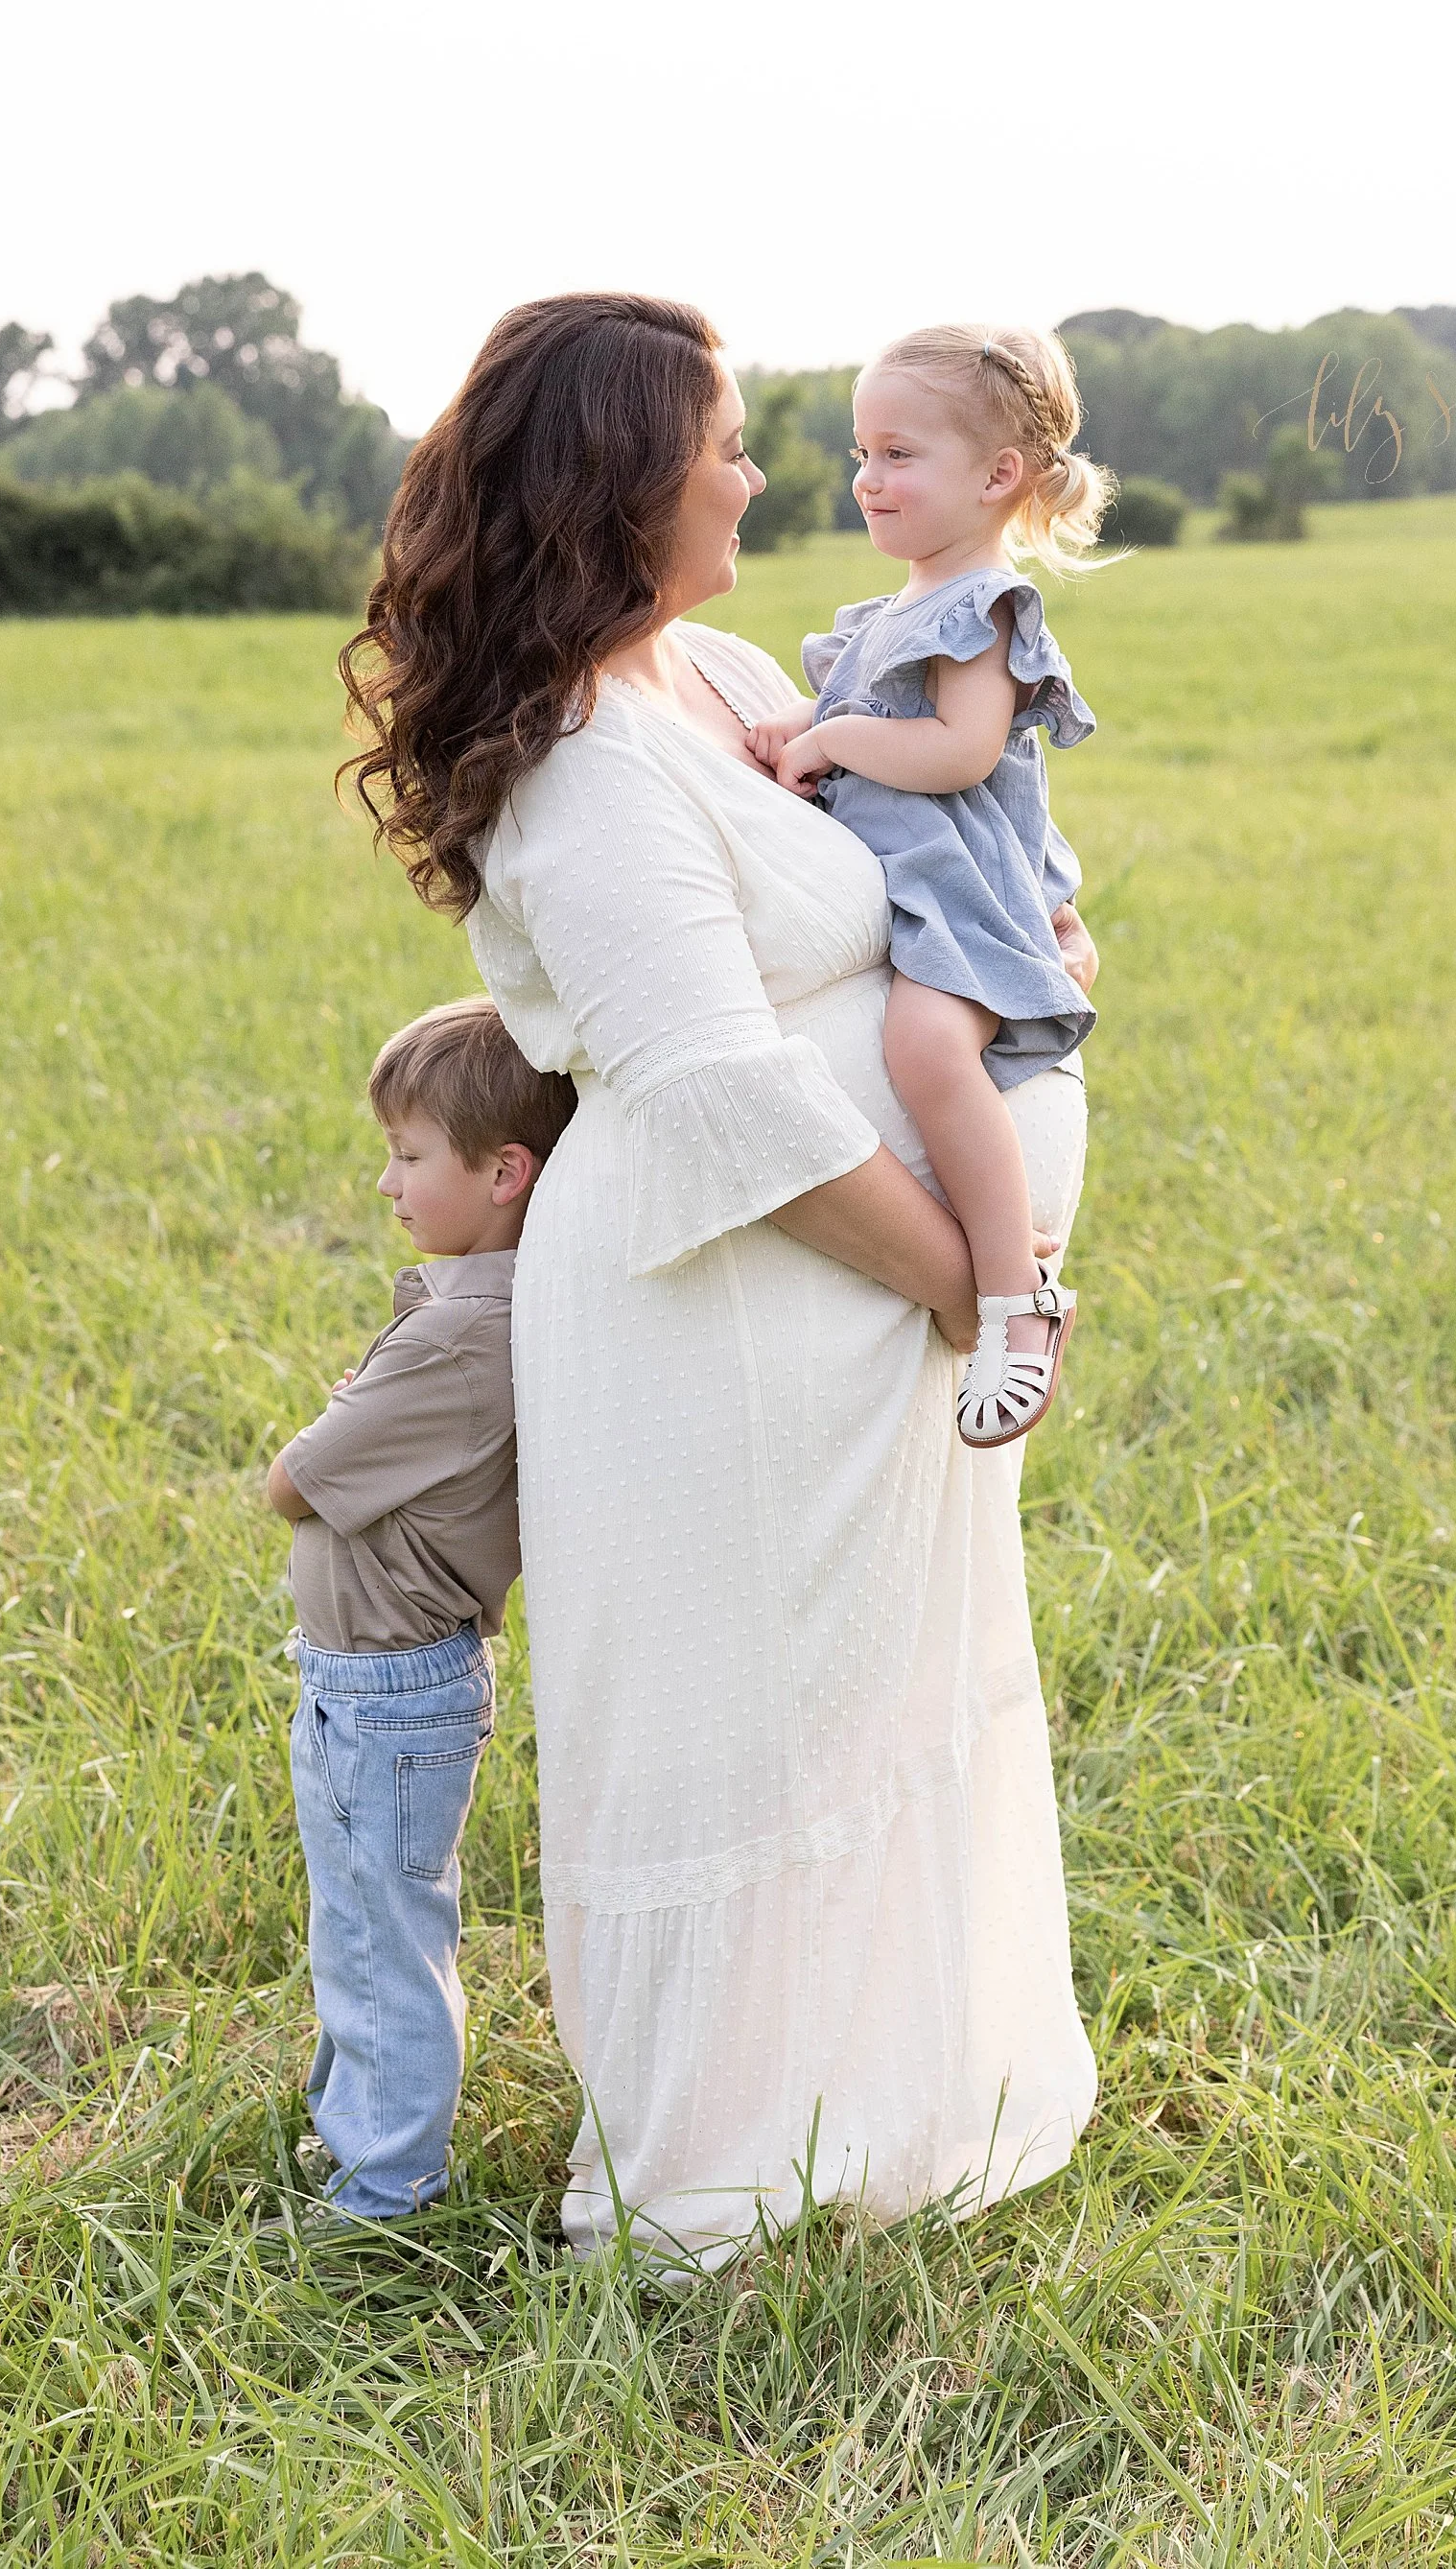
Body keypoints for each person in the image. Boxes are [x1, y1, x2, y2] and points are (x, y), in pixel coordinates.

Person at [339, 292, 1101, 2267]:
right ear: (623, 477)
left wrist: (1036, 938)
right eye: (730, 441)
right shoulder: (585, 764)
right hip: (727, 1306)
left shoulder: (724, 671)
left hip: (848, 1309)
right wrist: (965, 1272)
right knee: (740, 1723)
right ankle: (713, 2177)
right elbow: (709, 1089)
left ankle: (873, 2112)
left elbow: (909, 871)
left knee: (863, 1703)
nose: (762, 476)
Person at [748, 324, 1113, 1449]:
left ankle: (1013, 1297)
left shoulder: (982, 610)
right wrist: (799, 725)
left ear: (996, 476)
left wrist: (835, 738)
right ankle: (1003, 1285)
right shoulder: (884, 617)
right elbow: (864, 723)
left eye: (897, 454)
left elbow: (955, 751)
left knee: (924, 1048)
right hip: (912, 883)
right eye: (863, 452)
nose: (867, 479)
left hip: (960, 893)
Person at [266, 998, 575, 2221]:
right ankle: (351, 2136)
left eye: (407, 1156)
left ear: (504, 1172)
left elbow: (288, 1484)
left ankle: (383, 2189)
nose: (385, 1182)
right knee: (358, 1924)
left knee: (381, 1942)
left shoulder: (454, 1330)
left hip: (386, 1685)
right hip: (382, 1677)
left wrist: (338, 1408)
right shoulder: (493, 1309)